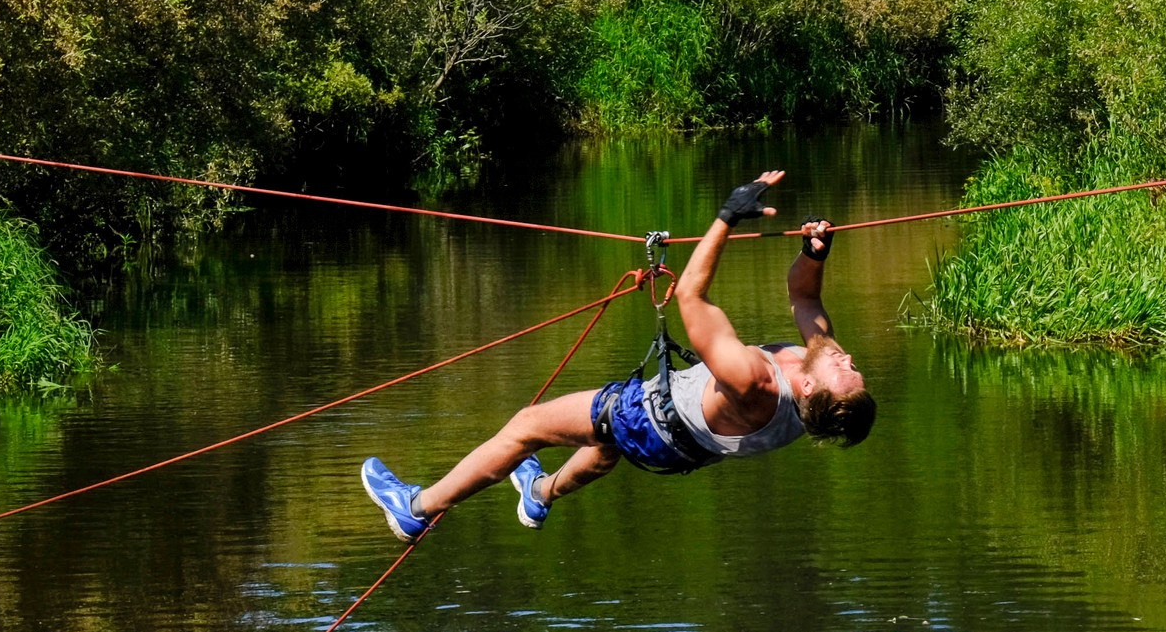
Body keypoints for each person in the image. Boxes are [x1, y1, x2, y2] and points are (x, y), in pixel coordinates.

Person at [360, 171, 876, 539]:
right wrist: (814, 254)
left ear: (809, 390)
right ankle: (539, 496)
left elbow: (691, 297)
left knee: (526, 427)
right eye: (851, 366)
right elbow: (805, 298)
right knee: (605, 446)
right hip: (682, 452)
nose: (846, 360)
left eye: (842, 371)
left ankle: (417, 509)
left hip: (650, 421)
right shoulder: (816, 371)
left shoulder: (754, 383)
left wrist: (726, 216)